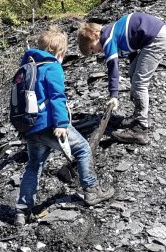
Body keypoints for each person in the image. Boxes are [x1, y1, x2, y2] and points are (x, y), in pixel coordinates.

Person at [15, 27, 114, 226]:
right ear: (61, 53)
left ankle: (22, 210)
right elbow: (56, 97)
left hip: (30, 128)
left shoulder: (27, 68)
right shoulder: (52, 67)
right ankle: (92, 190)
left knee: (34, 166)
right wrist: (61, 123)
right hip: (50, 124)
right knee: (83, 149)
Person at [78, 12, 166, 145]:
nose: (95, 52)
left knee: (140, 82)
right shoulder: (113, 30)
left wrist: (113, 95)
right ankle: (138, 116)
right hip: (155, 36)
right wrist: (133, 70)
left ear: (95, 35)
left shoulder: (107, 38)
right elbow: (132, 48)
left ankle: (140, 128)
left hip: (157, 39)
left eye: (93, 48)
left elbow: (113, 67)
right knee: (133, 73)